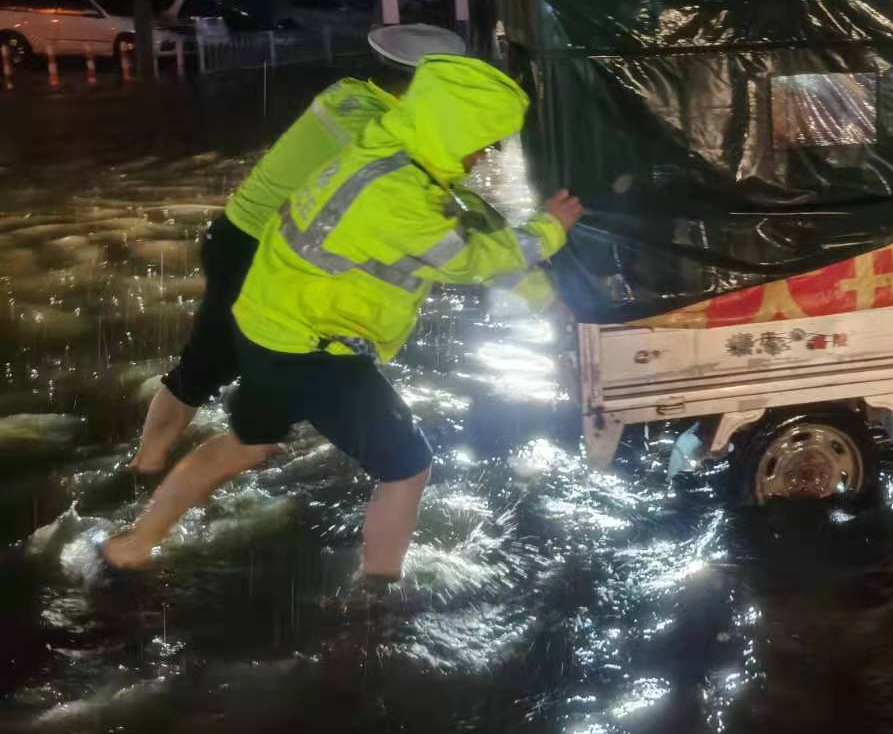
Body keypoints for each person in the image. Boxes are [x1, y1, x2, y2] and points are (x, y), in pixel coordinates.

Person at [102, 51, 583, 581]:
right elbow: (470, 259)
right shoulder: (401, 197)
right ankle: (377, 596)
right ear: (454, 130)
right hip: (315, 350)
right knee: (407, 466)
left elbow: (467, 220)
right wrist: (549, 230)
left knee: (246, 444)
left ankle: (134, 542)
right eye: (482, 145)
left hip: (267, 327)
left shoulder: (379, 145)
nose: (483, 159)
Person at [128, 69, 412, 475]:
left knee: (241, 357)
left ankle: (241, 438)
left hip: (238, 234)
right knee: (209, 365)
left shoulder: (345, 91)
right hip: (255, 248)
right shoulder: (382, 128)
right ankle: (147, 468)